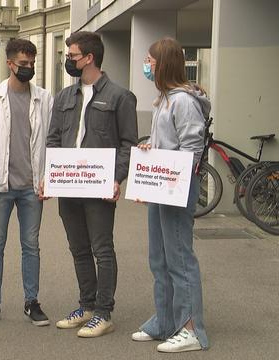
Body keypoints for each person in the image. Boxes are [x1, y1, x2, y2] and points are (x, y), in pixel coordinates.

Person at [45, 31, 137, 337]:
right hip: (68, 185)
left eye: (71, 56)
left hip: (99, 187)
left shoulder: (120, 96)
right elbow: (54, 139)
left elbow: (128, 144)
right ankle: (86, 306)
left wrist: (117, 178)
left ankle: (103, 312)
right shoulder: (64, 97)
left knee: (102, 249)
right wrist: (51, 175)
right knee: (78, 248)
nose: (68, 61)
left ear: (89, 58)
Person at [131, 37, 210, 353]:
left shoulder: (182, 101)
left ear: (162, 64)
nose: (146, 66)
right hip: (163, 190)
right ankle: (165, 321)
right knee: (159, 259)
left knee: (179, 258)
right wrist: (152, 149)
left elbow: (192, 149)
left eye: (150, 61)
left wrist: (165, 173)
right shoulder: (164, 100)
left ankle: (191, 329)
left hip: (176, 192)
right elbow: (171, 143)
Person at [0, 38, 53, 327]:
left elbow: (50, 143)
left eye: (31, 64)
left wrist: (48, 179)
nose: (28, 68)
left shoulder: (44, 98)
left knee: (31, 245)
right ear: (9, 64)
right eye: (23, 64)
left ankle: (32, 302)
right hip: (0, 186)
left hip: (32, 187)